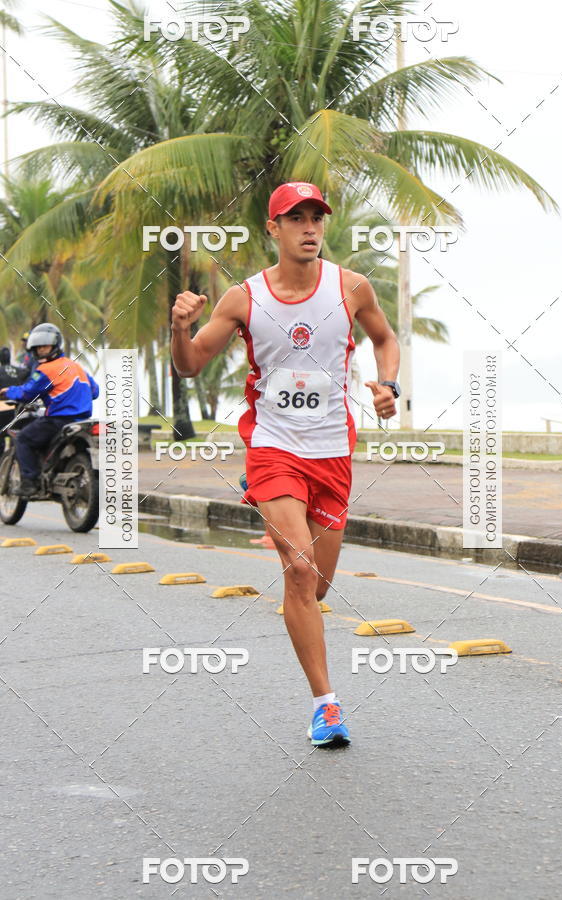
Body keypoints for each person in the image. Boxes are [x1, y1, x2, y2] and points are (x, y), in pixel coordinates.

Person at [170, 182, 400, 747]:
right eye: (295, 218)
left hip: (331, 451)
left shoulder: (351, 288)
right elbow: (192, 365)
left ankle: (305, 620)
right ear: (272, 229)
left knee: (316, 586)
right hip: (272, 447)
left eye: (316, 217)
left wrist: (389, 385)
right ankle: (327, 706)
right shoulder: (244, 299)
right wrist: (179, 329)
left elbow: (385, 338)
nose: (309, 228)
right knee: (297, 571)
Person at [0, 323, 99, 497]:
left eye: (45, 347)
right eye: (39, 348)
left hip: (59, 419)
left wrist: (7, 391)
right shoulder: (75, 366)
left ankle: (30, 482)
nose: (42, 351)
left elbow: (27, 392)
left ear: (54, 346)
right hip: (82, 420)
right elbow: (95, 391)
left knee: (22, 438)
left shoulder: (45, 370)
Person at [0, 347, 30, 457]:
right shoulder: (20, 371)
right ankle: (14, 461)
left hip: (2, 410)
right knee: (15, 437)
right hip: (18, 410)